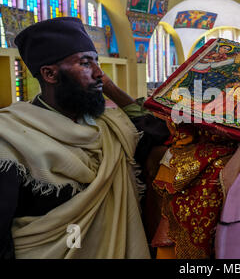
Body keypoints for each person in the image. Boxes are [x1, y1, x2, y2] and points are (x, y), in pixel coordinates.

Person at [0, 17, 169, 259]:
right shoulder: (10, 137)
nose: (100, 73)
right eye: (85, 63)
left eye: (97, 62)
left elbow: (157, 130)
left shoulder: (110, 126)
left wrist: (107, 86)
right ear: (49, 74)